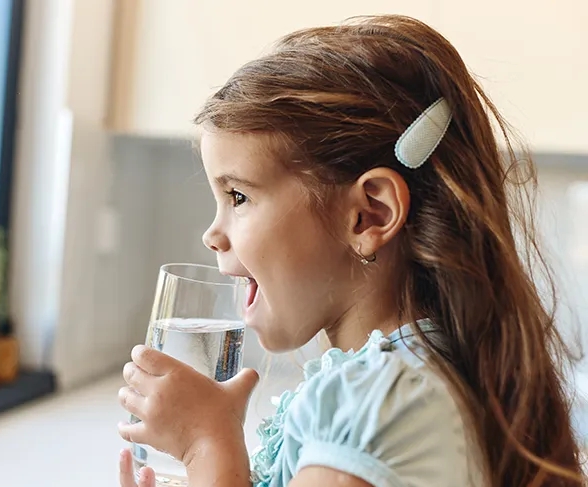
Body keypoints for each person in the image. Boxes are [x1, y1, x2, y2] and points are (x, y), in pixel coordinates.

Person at [117, 14, 585, 487]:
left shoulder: (380, 408)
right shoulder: (416, 382)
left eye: (238, 196)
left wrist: (206, 446)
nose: (212, 234)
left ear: (369, 215)